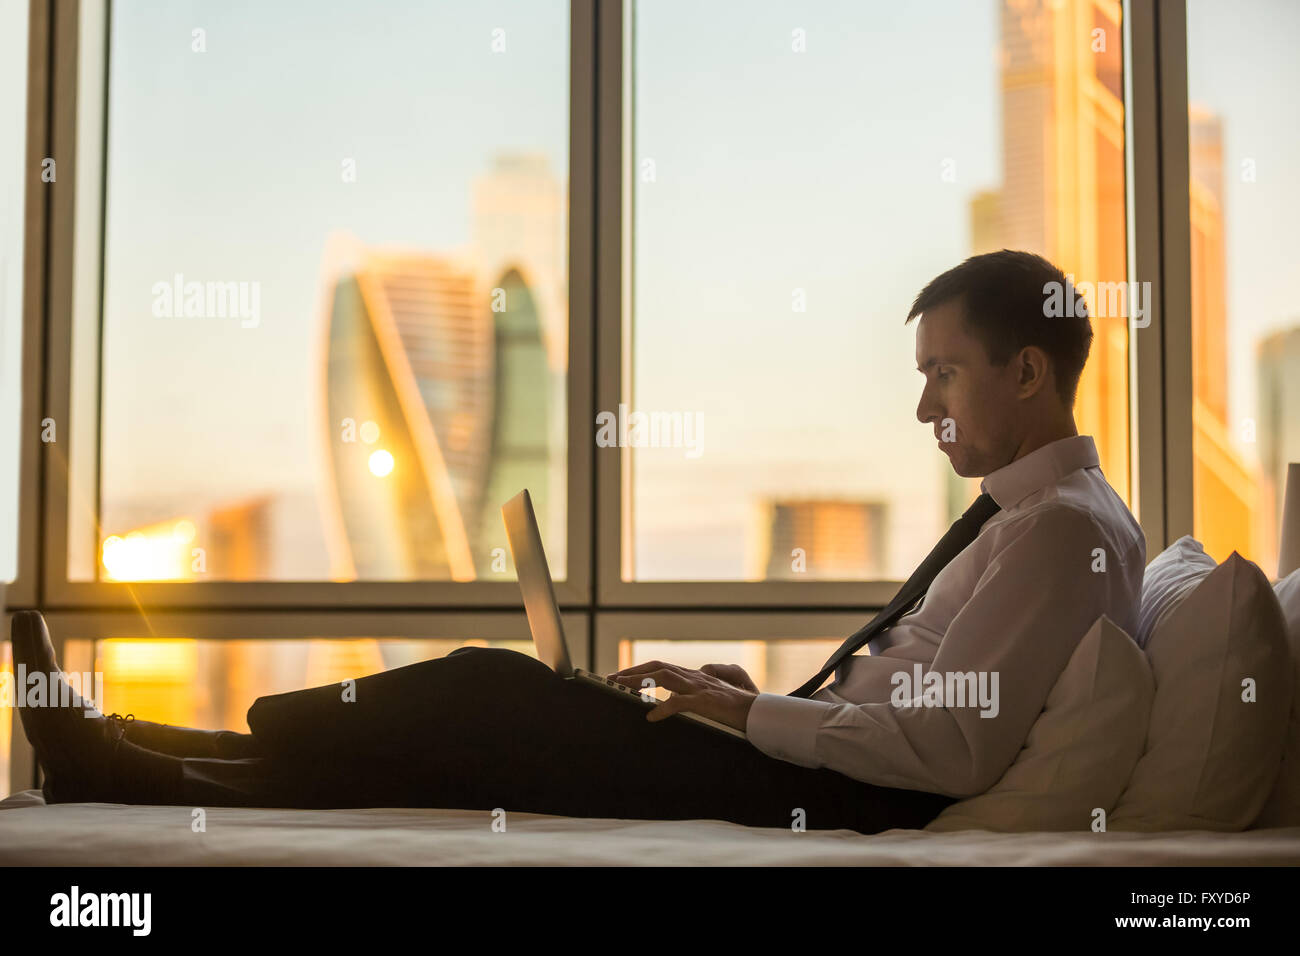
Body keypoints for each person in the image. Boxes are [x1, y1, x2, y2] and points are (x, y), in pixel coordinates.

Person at [11, 249, 1144, 834]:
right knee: (480, 725)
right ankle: (131, 755)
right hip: (812, 761)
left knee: (489, 695)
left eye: (942, 373)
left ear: (1026, 369)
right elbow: (918, 705)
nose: (924, 406)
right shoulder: (1034, 516)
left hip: (842, 799)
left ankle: (140, 761)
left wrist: (742, 714)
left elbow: (945, 756)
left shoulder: (1060, 535)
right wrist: (735, 691)